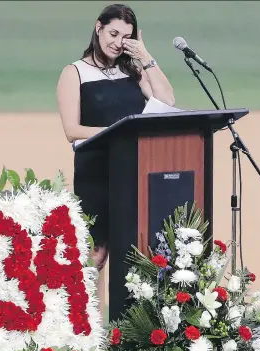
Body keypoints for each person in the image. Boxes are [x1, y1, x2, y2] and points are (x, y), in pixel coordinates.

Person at [56, 4, 175, 318]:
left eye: (126, 36)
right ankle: (90, 335)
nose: (117, 41)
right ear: (98, 28)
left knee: (133, 250)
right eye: (113, 33)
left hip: (133, 172)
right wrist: (118, 131)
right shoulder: (75, 72)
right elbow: (72, 129)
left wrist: (145, 56)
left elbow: (167, 101)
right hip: (96, 174)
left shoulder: (133, 72)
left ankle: (130, 331)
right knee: (96, 255)